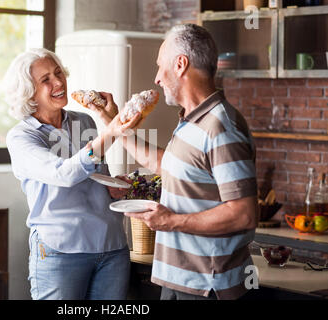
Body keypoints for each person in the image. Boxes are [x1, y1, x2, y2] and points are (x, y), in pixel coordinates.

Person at [97, 24, 259, 300]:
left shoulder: (220, 127)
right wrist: (117, 126)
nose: (158, 78)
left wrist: (171, 221)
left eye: (161, 67)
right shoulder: (192, 119)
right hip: (178, 278)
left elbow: (243, 214)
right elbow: (169, 165)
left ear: (181, 64)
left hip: (208, 285)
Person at [4, 48, 140, 300]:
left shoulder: (84, 121)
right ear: (28, 91)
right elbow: (63, 174)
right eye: (45, 80)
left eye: (58, 73)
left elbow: (97, 174)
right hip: (61, 251)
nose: (58, 82)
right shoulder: (22, 136)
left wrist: (113, 187)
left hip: (111, 246)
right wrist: (111, 130)